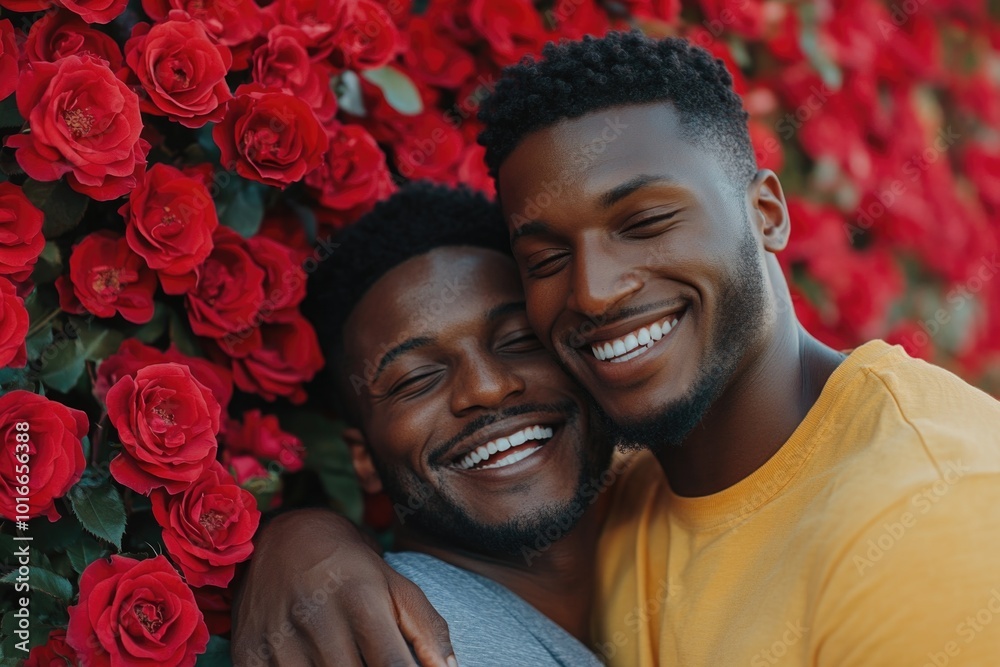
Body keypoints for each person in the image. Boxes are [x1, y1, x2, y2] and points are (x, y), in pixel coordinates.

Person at [236, 32, 1000, 666]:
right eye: (544, 258)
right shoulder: (621, 474)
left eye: (644, 221)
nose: (595, 291)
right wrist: (300, 540)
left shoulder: (932, 518)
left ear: (766, 211)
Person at [233, 181, 626, 667]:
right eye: (417, 379)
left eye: (520, 342)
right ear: (363, 457)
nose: (486, 387)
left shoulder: (659, 531)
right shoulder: (380, 639)